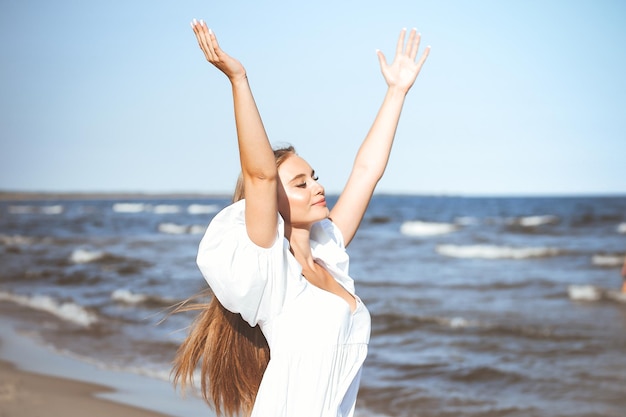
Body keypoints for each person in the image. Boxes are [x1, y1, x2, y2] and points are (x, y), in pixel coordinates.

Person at [172, 18, 430, 417]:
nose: (316, 187)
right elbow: (259, 175)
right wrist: (239, 80)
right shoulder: (274, 272)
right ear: (271, 203)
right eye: (300, 183)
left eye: (315, 177)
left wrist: (396, 92)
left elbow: (365, 172)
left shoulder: (330, 255)